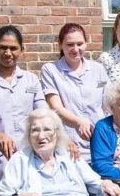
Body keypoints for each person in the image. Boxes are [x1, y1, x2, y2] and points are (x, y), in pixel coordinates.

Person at [0, 25, 48, 192]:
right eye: (2, 47)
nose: (8, 53)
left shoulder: (31, 80)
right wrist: (0, 136)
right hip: (1, 159)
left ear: (22, 50)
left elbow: (43, 116)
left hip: (32, 155)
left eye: (13, 48)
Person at [41, 23, 110, 161]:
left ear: (86, 43)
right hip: (70, 144)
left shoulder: (98, 69)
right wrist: (79, 122)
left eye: (80, 44)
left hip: (100, 142)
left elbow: (109, 103)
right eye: (70, 44)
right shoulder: (50, 70)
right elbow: (56, 107)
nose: (76, 49)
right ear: (60, 45)